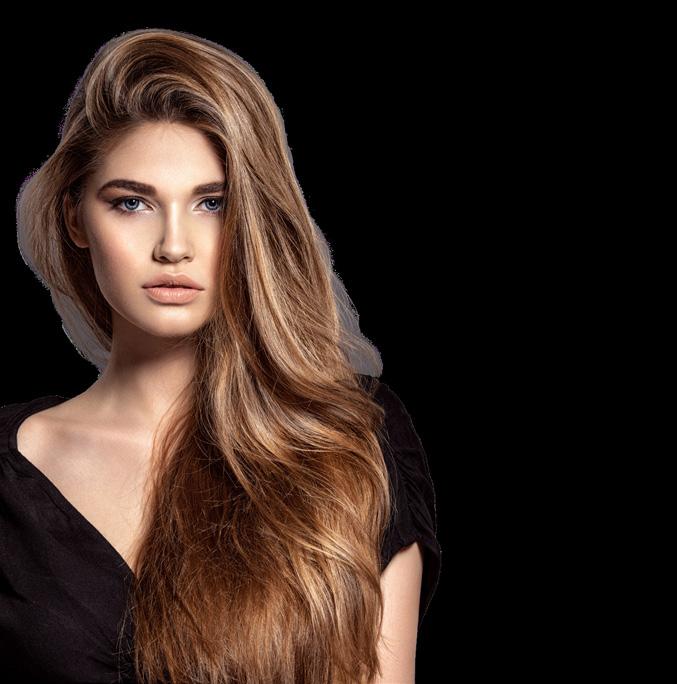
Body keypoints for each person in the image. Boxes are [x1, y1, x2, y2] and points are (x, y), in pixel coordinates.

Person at [2, 28, 441, 683]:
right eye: (131, 203)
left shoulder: (349, 439)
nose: (174, 245)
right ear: (75, 220)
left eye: (213, 203)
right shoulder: (11, 479)